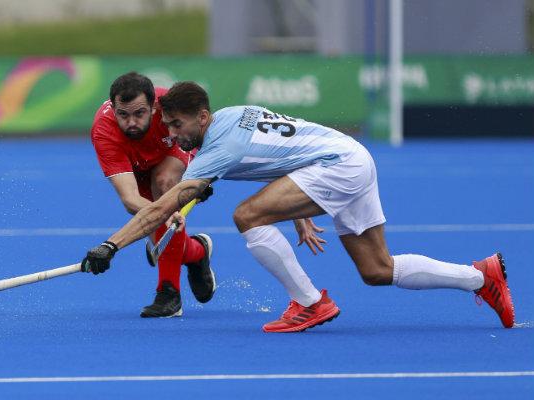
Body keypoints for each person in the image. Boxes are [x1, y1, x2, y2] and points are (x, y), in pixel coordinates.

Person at [81, 81, 515, 332]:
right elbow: (281, 155)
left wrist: (110, 246)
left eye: (177, 126)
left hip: (336, 167)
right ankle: (481, 277)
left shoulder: (218, 148)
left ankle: (308, 302)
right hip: (351, 156)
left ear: (203, 117)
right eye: (168, 126)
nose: (173, 136)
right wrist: (300, 212)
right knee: (377, 269)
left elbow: (158, 210)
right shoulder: (234, 116)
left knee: (247, 216)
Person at [88, 72, 216, 318]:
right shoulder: (104, 131)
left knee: (164, 183)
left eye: (139, 113)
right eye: (123, 115)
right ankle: (197, 252)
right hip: (136, 169)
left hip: (170, 156)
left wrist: (203, 174)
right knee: (159, 222)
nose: (131, 122)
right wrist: (164, 215)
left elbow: (204, 128)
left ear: (154, 107)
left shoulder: (169, 105)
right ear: (113, 108)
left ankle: (169, 293)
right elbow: (130, 200)